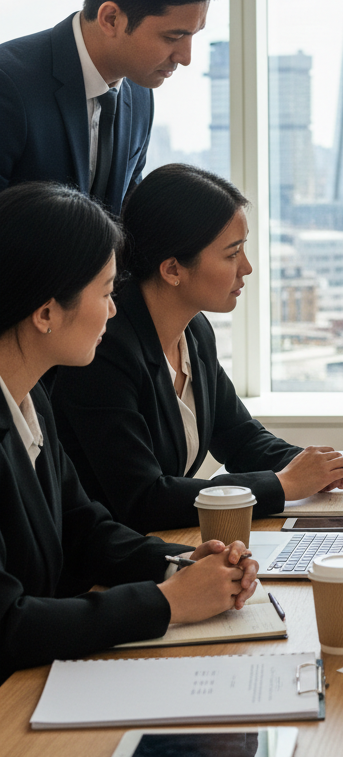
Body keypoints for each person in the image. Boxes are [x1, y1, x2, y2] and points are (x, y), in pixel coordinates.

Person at [0, 182, 259, 682]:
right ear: (47, 312)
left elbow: (84, 530)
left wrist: (178, 562)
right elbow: (8, 623)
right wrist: (165, 603)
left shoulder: (30, 401)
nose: (115, 309)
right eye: (104, 292)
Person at [52, 164, 343, 532]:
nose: (246, 267)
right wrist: (284, 484)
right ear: (172, 270)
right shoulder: (105, 350)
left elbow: (240, 438)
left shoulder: (194, 329)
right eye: (231, 254)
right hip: (112, 563)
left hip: (167, 540)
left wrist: (315, 467)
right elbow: (144, 499)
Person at [0, 0, 224, 215]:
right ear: (111, 19)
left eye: (193, 35)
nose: (185, 57)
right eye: (173, 36)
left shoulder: (140, 95)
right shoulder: (9, 84)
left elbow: (127, 221)